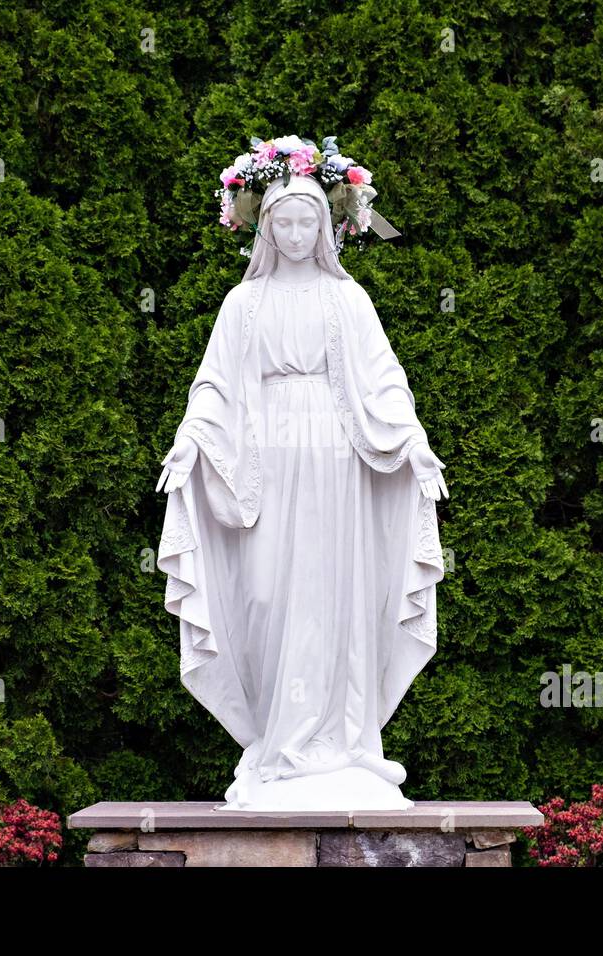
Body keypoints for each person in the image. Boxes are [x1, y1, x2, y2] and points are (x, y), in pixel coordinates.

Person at [155, 169, 448, 811]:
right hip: (264, 459)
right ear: (264, 228)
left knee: (332, 594)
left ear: (326, 228)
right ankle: (276, 745)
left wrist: (414, 443)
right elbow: (214, 384)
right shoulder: (243, 303)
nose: (293, 234)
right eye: (282, 223)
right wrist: (189, 440)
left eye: (305, 222)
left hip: (337, 459)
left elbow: (385, 380)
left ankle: (341, 746)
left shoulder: (348, 300)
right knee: (266, 594)